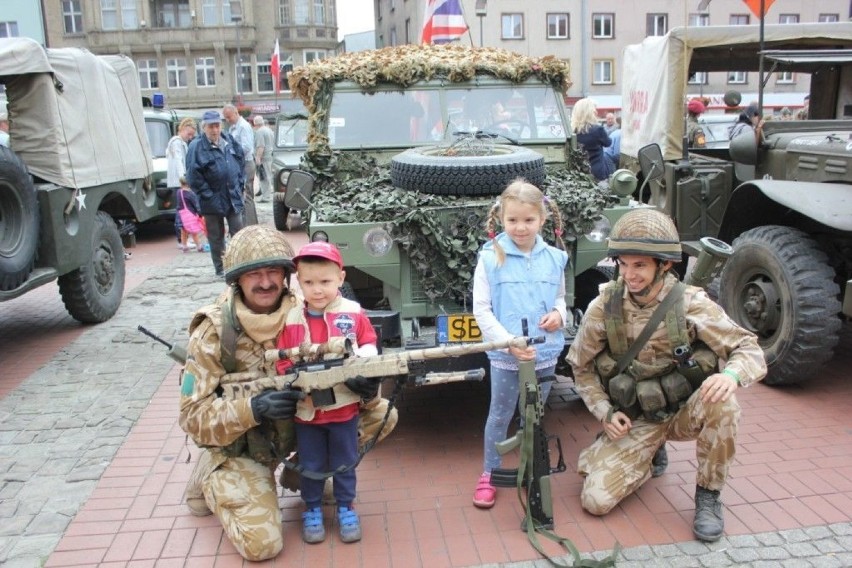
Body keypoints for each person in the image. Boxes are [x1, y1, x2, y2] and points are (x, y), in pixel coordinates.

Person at [178, 225, 398, 561]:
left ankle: (304, 472)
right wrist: (254, 408)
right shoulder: (214, 333)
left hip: (303, 425)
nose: (265, 282)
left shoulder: (306, 306)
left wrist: (365, 385)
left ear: (286, 277)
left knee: (382, 414)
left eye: (272, 272)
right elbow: (193, 417)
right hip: (246, 446)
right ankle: (211, 473)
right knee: (262, 546)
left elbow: (351, 353)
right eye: (254, 274)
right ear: (237, 280)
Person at [565, 208, 767, 543]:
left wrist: (731, 375)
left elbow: (748, 348)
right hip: (638, 417)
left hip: (685, 410)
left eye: (640, 265)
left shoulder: (690, 303)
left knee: (724, 404)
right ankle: (648, 454)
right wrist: (605, 412)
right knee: (595, 501)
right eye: (623, 264)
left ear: (665, 264)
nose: (629, 274)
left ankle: (709, 496)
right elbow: (581, 366)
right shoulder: (605, 305)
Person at [471, 179, 569, 509]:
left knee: (534, 416)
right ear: (501, 219)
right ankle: (489, 472)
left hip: (543, 353)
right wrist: (507, 342)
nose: (520, 227)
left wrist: (558, 314)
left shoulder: (555, 257)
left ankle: (531, 468)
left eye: (528, 220)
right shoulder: (488, 257)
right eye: (513, 220)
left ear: (542, 219)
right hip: (506, 356)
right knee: (499, 416)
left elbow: (560, 298)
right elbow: (481, 309)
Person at [276, 242, 377, 544]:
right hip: (307, 413)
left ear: (341, 279)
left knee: (346, 462)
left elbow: (369, 343)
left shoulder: (353, 313)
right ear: (298, 282)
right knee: (311, 464)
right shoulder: (292, 319)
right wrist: (291, 381)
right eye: (308, 282)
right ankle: (313, 509)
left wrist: (365, 369)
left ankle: (347, 506)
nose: (317, 290)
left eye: (325, 281)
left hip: (345, 409)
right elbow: (282, 358)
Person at [186, 110, 245, 277]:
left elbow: (240, 161)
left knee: (238, 232)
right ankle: (221, 268)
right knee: (216, 236)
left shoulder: (228, 140)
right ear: (204, 127)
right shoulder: (196, 147)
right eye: (211, 126)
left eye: (217, 125)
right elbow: (193, 176)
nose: (215, 130)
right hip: (211, 199)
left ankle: (239, 265)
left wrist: (240, 184)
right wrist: (207, 195)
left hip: (232, 195)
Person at [167, 117, 197, 248]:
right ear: (183, 129)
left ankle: (183, 239)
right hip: (178, 182)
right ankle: (181, 239)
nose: (190, 137)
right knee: (182, 211)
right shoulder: (177, 142)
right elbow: (179, 160)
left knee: (182, 211)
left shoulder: (177, 142)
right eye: (188, 133)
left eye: (191, 135)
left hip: (177, 181)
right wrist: (183, 178)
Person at [571, 98, 614, 183]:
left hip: (578, 172)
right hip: (597, 172)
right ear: (590, 113)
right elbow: (608, 143)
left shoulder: (571, 131)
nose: (596, 112)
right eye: (594, 110)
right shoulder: (597, 130)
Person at [223, 104, 256, 201]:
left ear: (236, 113)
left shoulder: (243, 126)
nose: (228, 120)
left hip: (246, 163)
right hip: (239, 163)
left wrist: (231, 153)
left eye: (229, 117)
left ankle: (249, 215)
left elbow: (246, 147)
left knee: (247, 193)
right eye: (226, 118)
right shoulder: (233, 127)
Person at [175, 176, 208, 252]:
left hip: (181, 214)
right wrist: (200, 214)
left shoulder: (178, 192)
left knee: (183, 231)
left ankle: (184, 246)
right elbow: (196, 205)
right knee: (194, 232)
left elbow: (178, 204)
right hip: (190, 214)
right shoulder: (191, 194)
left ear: (181, 183)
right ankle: (199, 246)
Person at [253, 116, 275, 203]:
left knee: (263, 177)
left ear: (255, 123)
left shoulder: (259, 132)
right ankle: (267, 194)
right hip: (270, 156)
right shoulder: (269, 130)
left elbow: (260, 146)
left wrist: (258, 158)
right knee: (268, 176)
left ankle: (266, 197)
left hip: (264, 157)